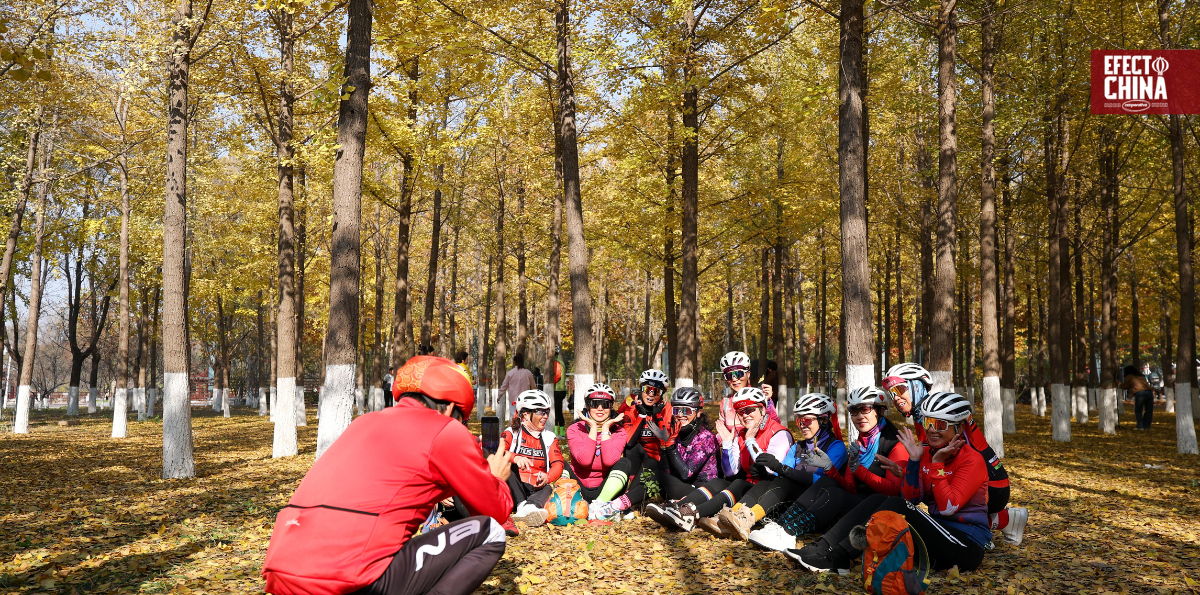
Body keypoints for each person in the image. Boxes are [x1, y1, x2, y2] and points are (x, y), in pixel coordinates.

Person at [261, 355, 513, 595]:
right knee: (491, 531)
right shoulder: (445, 430)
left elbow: (410, 481)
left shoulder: (364, 423)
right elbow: (495, 510)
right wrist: (497, 479)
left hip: (283, 572)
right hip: (350, 579)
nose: (461, 426)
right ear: (448, 409)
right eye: (462, 419)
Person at [787, 392, 990, 574]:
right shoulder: (929, 453)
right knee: (878, 499)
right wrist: (914, 461)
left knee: (895, 504)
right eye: (928, 422)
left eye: (939, 425)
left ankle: (838, 557)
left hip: (965, 545)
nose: (930, 430)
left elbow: (947, 508)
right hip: (936, 535)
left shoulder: (972, 459)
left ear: (960, 427)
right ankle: (824, 547)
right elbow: (912, 497)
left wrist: (936, 465)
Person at [745, 386, 908, 551]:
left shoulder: (895, 444)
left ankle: (788, 531)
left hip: (879, 510)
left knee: (833, 491)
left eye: (865, 409)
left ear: (879, 411)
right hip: (856, 504)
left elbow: (894, 492)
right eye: (853, 411)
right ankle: (781, 527)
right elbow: (850, 488)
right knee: (827, 481)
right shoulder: (859, 444)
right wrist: (830, 469)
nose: (859, 416)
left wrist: (859, 469)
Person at [884, 362, 1027, 545]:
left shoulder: (940, 412)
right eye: (892, 393)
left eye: (900, 389)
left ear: (918, 385)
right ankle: (1006, 519)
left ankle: (981, 532)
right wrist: (908, 471)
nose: (896, 397)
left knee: (939, 498)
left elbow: (956, 464)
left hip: (991, 484)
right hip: (983, 481)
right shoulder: (925, 417)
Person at [647, 387, 793, 535]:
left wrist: (750, 441)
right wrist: (728, 444)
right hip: (748, 490)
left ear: (762, 409)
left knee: (739, 483)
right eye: (741, 412)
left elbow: (771, 470)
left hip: (768, 497)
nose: (745, 415)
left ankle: (692, 514)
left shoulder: (779, 433)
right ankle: (679, 509)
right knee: (719, 482)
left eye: (749, 410)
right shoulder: (741, 434)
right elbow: (730, 472)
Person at [717, 392, 847, 542]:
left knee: (784, 479)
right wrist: (765, 471)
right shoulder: (798, 446)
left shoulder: (836, 447)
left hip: (816, 504)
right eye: (799, 421)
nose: (802, 425)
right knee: (770, 480)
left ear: (823, 420)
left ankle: (748, 519)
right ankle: (736, 514)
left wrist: (779, 468)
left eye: (807, 420)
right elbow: (782, 474)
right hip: (793, 499)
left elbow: (818, 480)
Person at [587, 369, 676, 521]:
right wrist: (641, 416)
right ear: (641, 389)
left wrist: (658, 415)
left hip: (657, 457)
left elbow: (666, 439)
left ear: (662, 394)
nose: (651, 394)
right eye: (647, 389)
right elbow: (628, 440)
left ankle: (626, 502)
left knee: (652, 460)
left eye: (656, 391)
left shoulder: (667, 409)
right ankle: (629, 498)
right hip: (636, 452)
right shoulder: (632, 406)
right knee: (632, 448)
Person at [501, 389, 564, 528]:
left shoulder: (549, 438)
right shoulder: (511, 432)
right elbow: (497, 452)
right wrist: (515, 458)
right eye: (541, 412)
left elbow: (558, 464)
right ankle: (523, 506)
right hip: (512, 486)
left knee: (548, 487)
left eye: (547, 412)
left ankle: (529, 507)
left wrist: (548, 477)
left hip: (535, 488)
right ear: (525, 414)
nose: (545, 416)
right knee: (508, 467)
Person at [653, 387, 719, 501]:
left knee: (656, 476)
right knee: (652, 471)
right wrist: (664, 446)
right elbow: (666, 472)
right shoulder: (676, 434)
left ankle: (619, 506)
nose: (679, 415)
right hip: (684, 486)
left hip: (704, 493)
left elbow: (686, 474)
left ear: (698, 412)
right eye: (676, 410)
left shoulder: (706, 437)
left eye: (686, 410)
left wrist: (671, 446)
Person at [566, 383, 628, 502]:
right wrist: (593, 428)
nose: (600, 408)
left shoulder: (620, 432)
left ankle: (599, 505)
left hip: (606, 491)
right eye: (594, 404)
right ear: (587, 406)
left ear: (611, 407)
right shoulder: (574, 428)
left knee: (625, 462)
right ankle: (566, 502)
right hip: (578, 488)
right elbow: (584, 461)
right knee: (561, 463)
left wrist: (605, 429)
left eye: (605, 404)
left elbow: (609, 461)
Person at [717, 351, 782, 435]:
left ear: (748, 374)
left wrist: (767, 402)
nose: (734, 379)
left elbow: (776, 426)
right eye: (729, 375)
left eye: (739, 374)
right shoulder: (725, 402)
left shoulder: (759, 397)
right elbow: (721, 433)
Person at [498, 353, 536, 419]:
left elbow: (504, 386)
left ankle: (515, 429)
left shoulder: (510, 373)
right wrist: (535, 397)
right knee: (525, 416)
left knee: (514, 416)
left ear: (514, 362)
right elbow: (533, 387)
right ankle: (523, 429)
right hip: (525, 399)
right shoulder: (528, 373)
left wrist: (499, 395)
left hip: (513, 400)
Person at [1121, 365, 1154, 430]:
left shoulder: (1129, 377)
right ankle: (1147, 427)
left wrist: (1119, 384)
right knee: (1149, 411)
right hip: (1149, 393)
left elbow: (1125, 386)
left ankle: (1140, 426)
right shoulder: (1141, 376)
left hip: (1140, 394)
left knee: (1138, 411)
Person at [552, 350, 568, 436]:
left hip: (557, 390)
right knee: (558, 411)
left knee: (555, 412)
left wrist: (551, 384)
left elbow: (557, 375)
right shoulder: (560, 361)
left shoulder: (556, 362)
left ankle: (555, 432)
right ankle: (561, 432)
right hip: (560, 390)